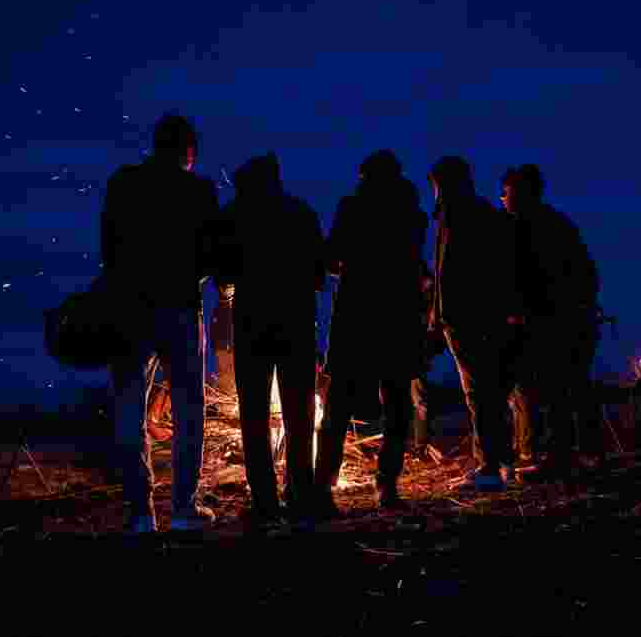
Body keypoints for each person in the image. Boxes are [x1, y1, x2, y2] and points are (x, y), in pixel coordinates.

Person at [100, 114, 218, 533]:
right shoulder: (199, 190)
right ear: (188, 150)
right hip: (181, 309)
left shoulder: (123, 184)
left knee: (129, 408)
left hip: (129, 310)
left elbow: (108, 250)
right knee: (188, 409)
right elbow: (212, 256)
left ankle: (141, 512)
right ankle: (183, 510)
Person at [214, 152, 326, 532]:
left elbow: (223, 276)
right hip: (296, 324)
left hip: (253, 327)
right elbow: (318, 275)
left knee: (255, 418)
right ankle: (301, 496)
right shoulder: (302, 213)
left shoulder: (234, 216)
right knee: (299, 415)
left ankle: (265, 502)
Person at [315, 150, 429, 516]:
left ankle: (323, 489)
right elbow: (413, 257)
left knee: (338, 404)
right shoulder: (411, 208)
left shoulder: (353, 206)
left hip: (358, 316)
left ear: (365, 175)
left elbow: (332, 258)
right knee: (396, 404)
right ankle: (387, 486)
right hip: (398, 316)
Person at [499, 164, 602, 480]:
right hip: (560, 319)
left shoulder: (533, 226)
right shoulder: (554, 223)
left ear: (522, 192)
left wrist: (523, 311)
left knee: (551, 390)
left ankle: (557, 458)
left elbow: (530, 277)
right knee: (556, 391)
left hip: (549, 323)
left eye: (506, 191)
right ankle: (568, 454)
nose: (501, 197)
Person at [428, 155, 525, 492]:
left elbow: (456, 273)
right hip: (468, 317)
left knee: (482, 393)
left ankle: (490, 466)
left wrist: (443, 316)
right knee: (489, 392)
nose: (435, 191)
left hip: (471, 319)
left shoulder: (463, 215)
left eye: (437, 184)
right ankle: (503, 461)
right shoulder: (472, 214)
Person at [410, 260, 440, 459]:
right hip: (412, 351)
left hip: (417, 352)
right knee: (414, 399)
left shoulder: (429, 296)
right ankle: (418, 444)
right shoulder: (425, 295)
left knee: (420, 399)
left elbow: (431, 328)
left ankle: (422, 445)